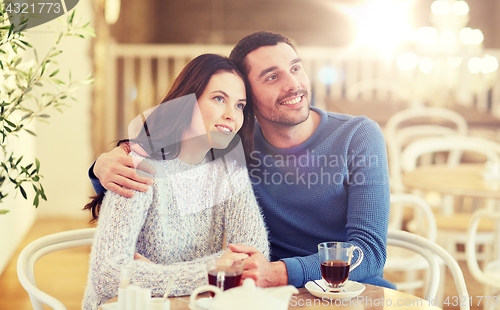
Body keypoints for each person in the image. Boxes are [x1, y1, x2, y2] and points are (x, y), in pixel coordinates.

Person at [90, 32, 395, 290]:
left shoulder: (358, 135)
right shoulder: (233, 146)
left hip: (345, 290)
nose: (293, 84)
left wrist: (278, 272)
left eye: (296, 68)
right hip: (265, 293)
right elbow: (168, 159)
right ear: (250, 97)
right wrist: (101, 167)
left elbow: (368, 252)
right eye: (272, 77)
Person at [82, 54, 269, 310]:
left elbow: (254, 256)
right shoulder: (139, 165)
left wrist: (155, 275)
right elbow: (108, 275)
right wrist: (212, 270)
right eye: (219, 99)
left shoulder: (229, 172)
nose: (231, 115)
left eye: (239, 105)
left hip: (188, 305)